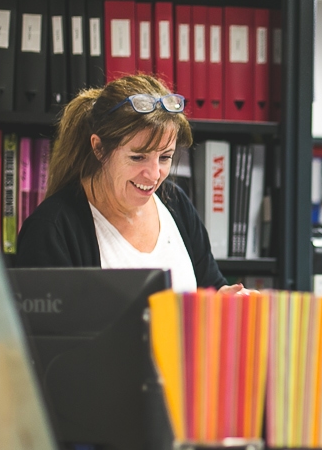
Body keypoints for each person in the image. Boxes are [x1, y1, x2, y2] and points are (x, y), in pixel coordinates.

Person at [15, 74, 246, 294]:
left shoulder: (175, 202)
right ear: (99, 148)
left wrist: (225, 300)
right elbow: (47, 330)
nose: (154, 175)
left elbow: (210, 288)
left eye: (165, 157)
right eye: (138, 157)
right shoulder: (51, 230)